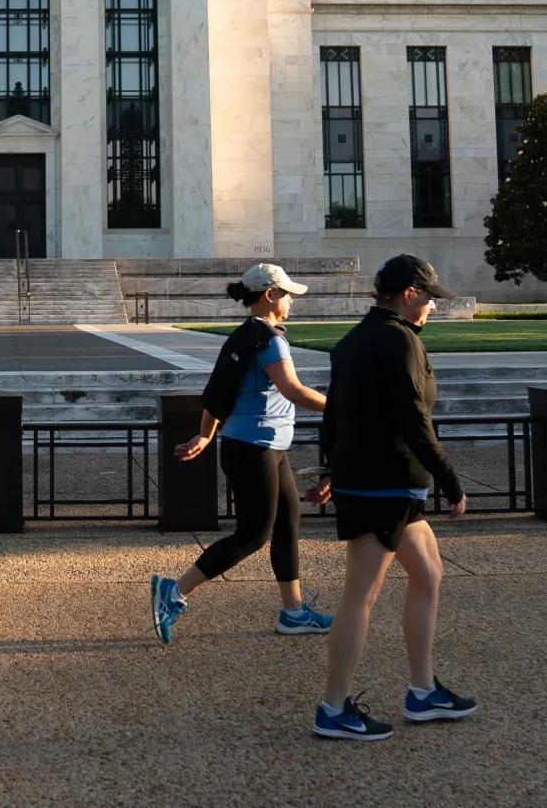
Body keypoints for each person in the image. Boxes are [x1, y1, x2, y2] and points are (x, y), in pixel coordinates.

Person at [307, 253, 479, 741]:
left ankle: (423, 691)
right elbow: (414, 420)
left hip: (373, 479)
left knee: (429, 573)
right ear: (408, 294)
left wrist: (328, 470)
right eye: (428, 298)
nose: (432, 307)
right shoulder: (400, 341)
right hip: (385, 482)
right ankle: (333, 707)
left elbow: (333, 416)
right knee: (360, 596)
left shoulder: (353, 340)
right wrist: (450, 479)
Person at [151, 263, 329, 643]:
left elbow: (219, 393)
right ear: (269, 295)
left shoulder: (245, 336)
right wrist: (340, 406)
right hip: (255, 448)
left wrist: (204, 436)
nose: (291, 301)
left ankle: (294, 612)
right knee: (252, 536)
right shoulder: (268, 340)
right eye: (286, 294)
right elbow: (293, 390)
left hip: (263, 447)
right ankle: (174, 591)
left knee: (287, 523)